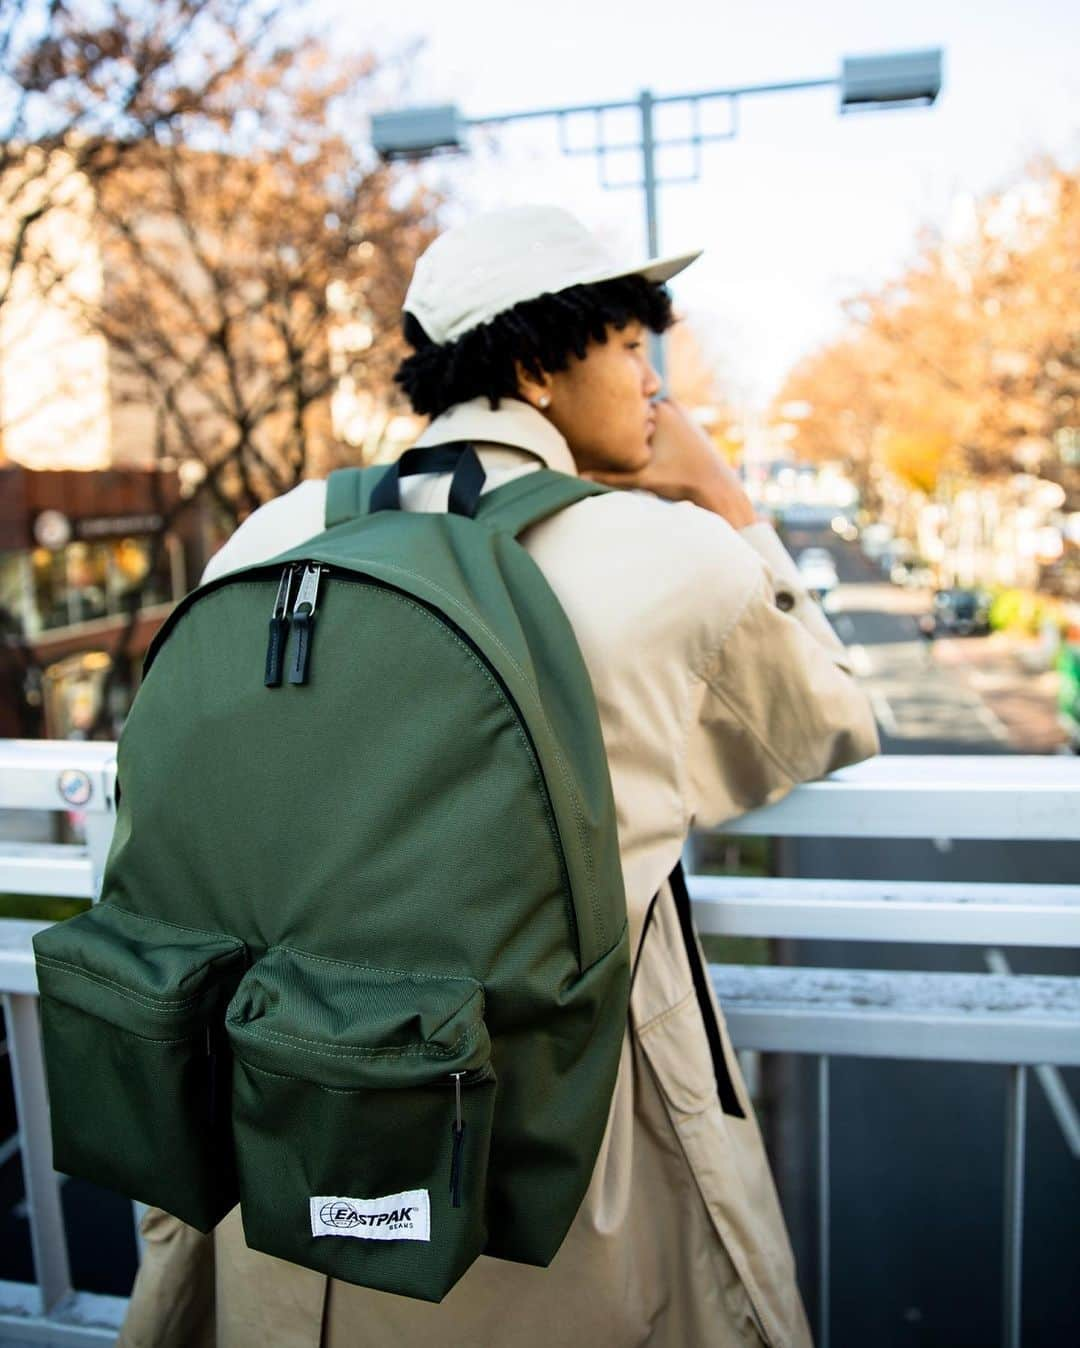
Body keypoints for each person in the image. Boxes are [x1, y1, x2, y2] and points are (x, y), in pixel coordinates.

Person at [118, 204, 879, 1348]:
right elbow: (822, 720)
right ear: (537, 363)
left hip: (281, 1166)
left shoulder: (269, 537)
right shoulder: (672, 556)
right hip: (538, 1184)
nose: (654, 383)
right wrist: (727, 500)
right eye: (631, 346)